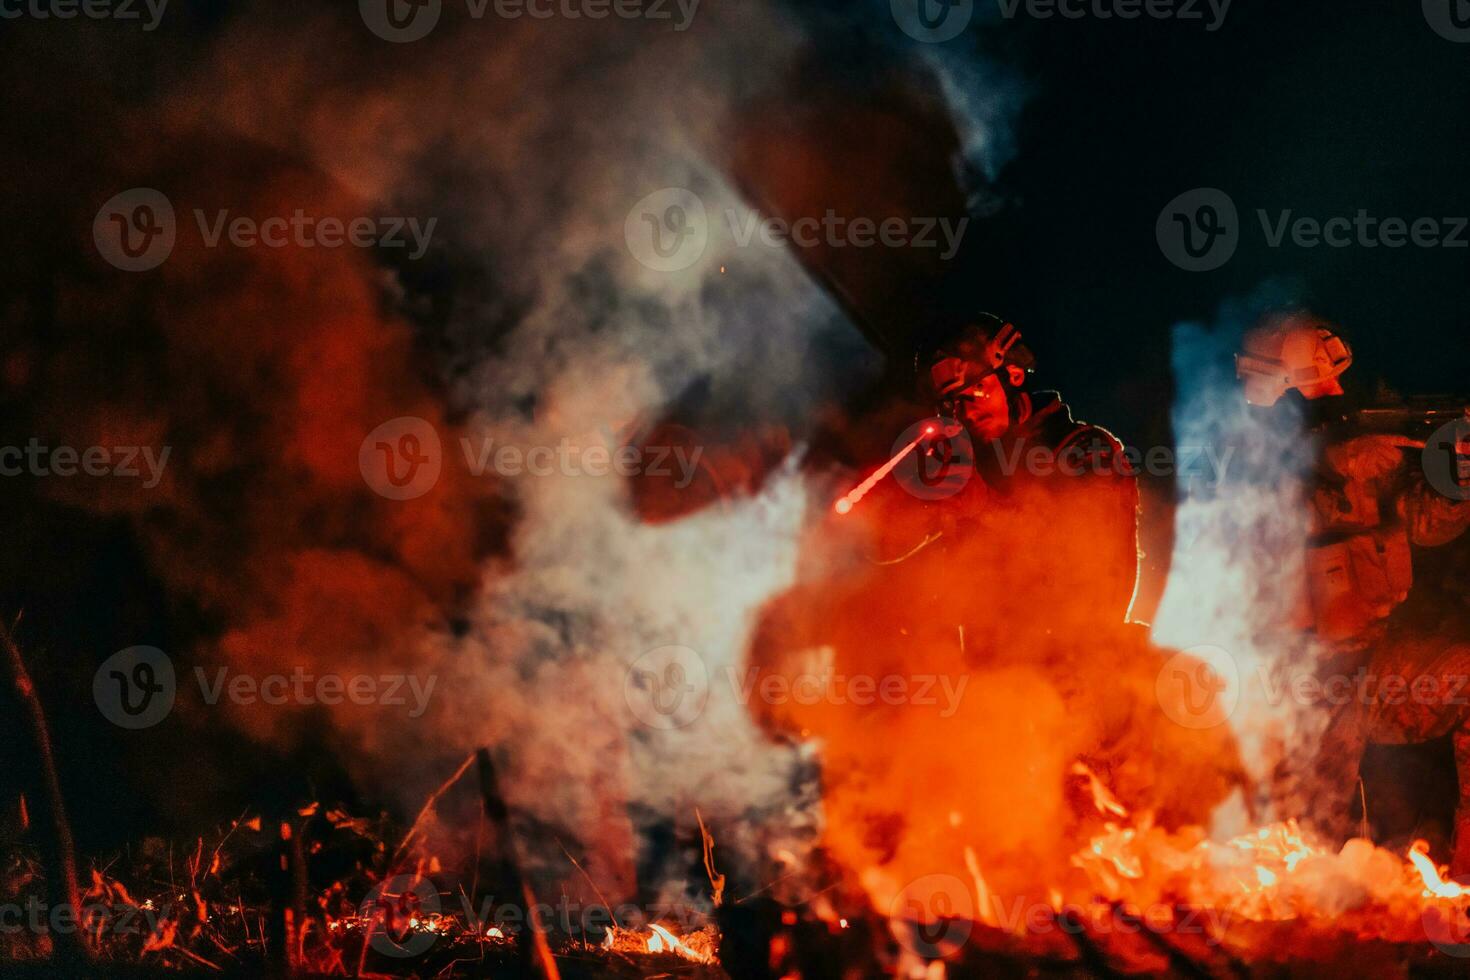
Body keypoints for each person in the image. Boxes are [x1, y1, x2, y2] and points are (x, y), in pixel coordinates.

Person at [1239, 312, 1470, 867]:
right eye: (1322, 383)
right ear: (1282, 392)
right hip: (1293, 678)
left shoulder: (1357, 442)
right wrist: (1334, 464)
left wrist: (1457, 479)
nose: (1340, 390)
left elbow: (1426, 525)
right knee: (1301, 850)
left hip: (1372, 663)